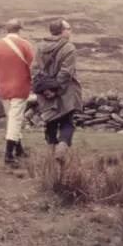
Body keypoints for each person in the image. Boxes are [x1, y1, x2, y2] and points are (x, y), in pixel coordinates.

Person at [31, 19, 82, 163]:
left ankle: (51, 154)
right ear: (62, 31)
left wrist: (46, 89)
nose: (70, 31)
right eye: (69, 28)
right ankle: (61, 148)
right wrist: (55, 89)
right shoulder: (69, 48)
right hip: (64, 91)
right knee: (67, 122)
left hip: (44, 92)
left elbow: (35, 69)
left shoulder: (40, 46)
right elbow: (66, 72)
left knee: (50, 121)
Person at [0, 18, 35, 166]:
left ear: (6, 30)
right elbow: (33, 66)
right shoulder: (25, 45)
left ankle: (19, 149)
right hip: (20, 87)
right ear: (19, 29)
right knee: (16, 118)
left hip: (3, 88)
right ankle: (9, 154)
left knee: (12, 118)